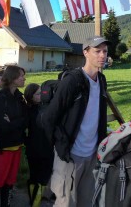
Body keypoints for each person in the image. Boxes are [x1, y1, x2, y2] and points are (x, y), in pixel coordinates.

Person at [40, 36, 109, 207]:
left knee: (86, 201)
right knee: (66, 202)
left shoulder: (101, 80)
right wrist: (60, 146)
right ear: (85, 52)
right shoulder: (73, 81)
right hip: (71, 156)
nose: (102, 55)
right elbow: (48, 118)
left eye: (105, 51)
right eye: (97, 51)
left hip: (92, 154)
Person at [0, 65, 27, 207]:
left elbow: (26, 120)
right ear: (12, 78)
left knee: (10, 181)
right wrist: (17, 123)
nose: (24, 78)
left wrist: (13, 122)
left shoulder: (20, 98)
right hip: (1, 147)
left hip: (17, 145)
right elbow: (2, 126)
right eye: (21, 75)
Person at [24, 83, 54, 207]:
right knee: (35, 176)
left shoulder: (48, 108)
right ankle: (34, 202)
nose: (41, 95)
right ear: (30, 96)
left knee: (44, 177)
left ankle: (36, 200)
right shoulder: (28, 111)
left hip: (47, 148)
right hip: (34, 149)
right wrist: (27, 141)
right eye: (37, 93)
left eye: (42, 92)